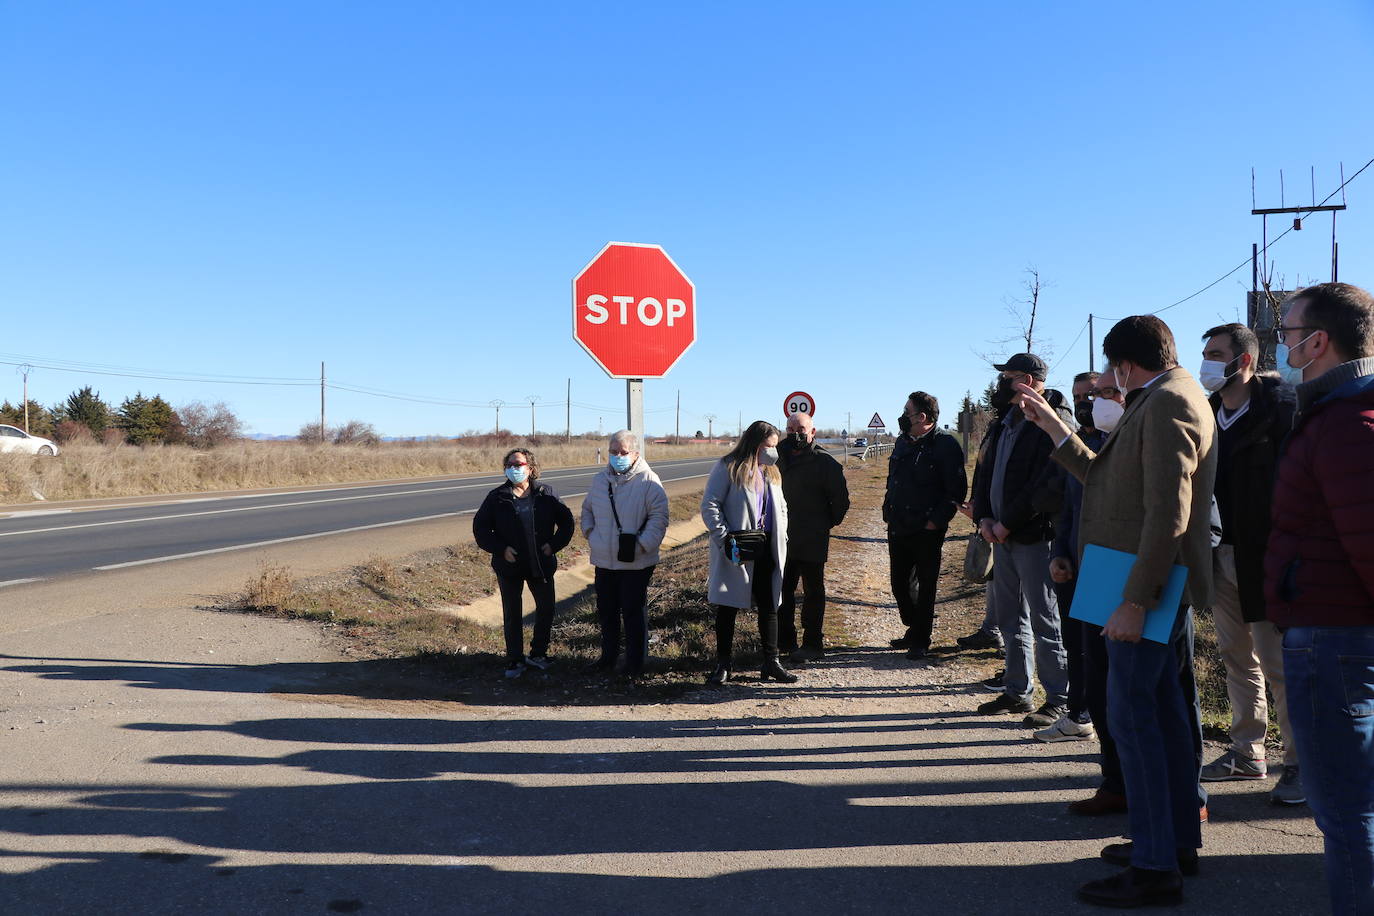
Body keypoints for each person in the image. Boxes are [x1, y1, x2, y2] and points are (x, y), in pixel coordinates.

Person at [1017, 316, 1216, 908]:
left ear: (1126, 366)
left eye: (1109, 370)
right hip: (1128, 576)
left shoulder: (1168, 403)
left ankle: (1157, 865)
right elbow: (1107, 481)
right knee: (1163, 712)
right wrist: (1056, 430)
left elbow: (1169, 514)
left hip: (1140, 583)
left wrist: (1135, 600)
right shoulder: (1161, 397)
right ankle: (1173, 842)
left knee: (1136, 719)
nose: (1105, 382)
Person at [1266, 281, 1374, 915]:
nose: (1283, 344)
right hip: (1332, 633)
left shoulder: (1348, 422)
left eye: (1288, 332)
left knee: (1347, 811)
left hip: (1335, 638)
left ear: (1319, 341)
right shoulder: (1336, 414)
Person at [1195, 324, 1302, 804]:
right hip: (1220, 555)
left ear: (1244, 361)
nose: (1207, 363)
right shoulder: (1208, 413)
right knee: (1238, 658)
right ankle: (1247, 750)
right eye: (1205, 354)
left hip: (1267, 558)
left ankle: (1298, 764)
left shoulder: (1282, 410)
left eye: (1216, 354)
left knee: (1280, 666)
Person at [972, 353, 1071, 727]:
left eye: (1009, 377)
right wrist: (983, 515)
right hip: (999, 535)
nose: (1002, 385)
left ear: (1028, 380)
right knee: (1011, 618)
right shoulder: (1005, 422)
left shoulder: (1052, 420)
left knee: (1046, 620)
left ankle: (1059, 699)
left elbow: (1045, 483)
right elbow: (984, 471)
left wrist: (1007, 522)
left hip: (1035, 537)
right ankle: (1017, 691)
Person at [1038, 371, 1106, 743]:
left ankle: (1098, 718)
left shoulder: (1115, 443)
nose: (1085, 403)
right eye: (1079, 396)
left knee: (1098, 651)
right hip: (1072, 562)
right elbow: (1065, 507)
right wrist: (1059, 553)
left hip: (1105, 564)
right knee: (1075, 642)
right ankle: (1078, 715)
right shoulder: (1077, 442)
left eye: (1093, 395)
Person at [701, 420, 796, 685]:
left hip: (767, 545)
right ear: (755, 444)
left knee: (769, 603)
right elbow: (710, 505)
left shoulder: (771, 472)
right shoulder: (728, 467)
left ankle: (771, 662)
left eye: (775, 446)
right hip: (737, 545)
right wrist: (724, 539)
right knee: (729, 605)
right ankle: (723, 664)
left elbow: (782, 507)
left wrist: (783, 533)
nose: (773, 452)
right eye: (769, 446)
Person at [472, 448, 575, 679]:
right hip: (509, 566)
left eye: (519, 464)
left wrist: (553, 545)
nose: (514, 469)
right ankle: (514, 659)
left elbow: (567, 522)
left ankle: (538, 654)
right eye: (509, 465)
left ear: (530, 468)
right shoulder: (496, 497)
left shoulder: (545, 493)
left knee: (546, 609)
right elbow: (480, 529)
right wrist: (501, 549)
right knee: (512, 613)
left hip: (541, 564)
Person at [883, 391, 967, 660]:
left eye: (907, 412)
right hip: (898, 524)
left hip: (927, 528)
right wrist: (888, 509)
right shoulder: (902, 443)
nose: (902, 416)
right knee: (900, 585)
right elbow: (893, 480)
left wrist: (936, 521)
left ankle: (921, 638)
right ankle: (914, 625)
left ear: (921, 416)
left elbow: (956, 489)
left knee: (927, 584)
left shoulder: (945, 445)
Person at [580, 430, 670, 677]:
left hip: (636, 562)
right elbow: (587, 509)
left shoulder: (649, 481)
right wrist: (590, 533)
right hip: (604, 560)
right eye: (613, 452)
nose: (618, 456)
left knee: (632, 613)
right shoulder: (600, 480)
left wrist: (642, 545)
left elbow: (659, 518)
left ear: (635, 453)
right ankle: (607, 658)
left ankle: (635, 664)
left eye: (623, 452)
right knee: (607, 612)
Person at [777, 410, 850, 661]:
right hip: (781, 538)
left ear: (812, 432)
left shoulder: (825, 463)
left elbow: (840, 502)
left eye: (801, 431)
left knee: (813, 592)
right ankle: (785, 642)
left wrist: (823, 524)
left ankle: (812, 643)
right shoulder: (776, 458)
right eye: (790, 430)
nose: (795, 435)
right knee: (782, 591)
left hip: (812, 537)